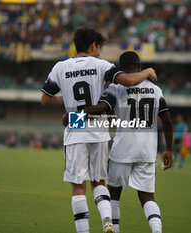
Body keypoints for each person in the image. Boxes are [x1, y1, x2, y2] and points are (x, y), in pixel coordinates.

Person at [41, 28, 158, 233]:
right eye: (99, 48)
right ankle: (107, 221)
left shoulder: (60, 67)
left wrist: (68, 100)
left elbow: (45, 99)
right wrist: (147, 71)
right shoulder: (102, 65)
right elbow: (129, 81)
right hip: (98, 128)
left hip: (76, 125)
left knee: (78, 186)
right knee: (98, 182)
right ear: (93, 45)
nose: (99, 52)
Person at [70, 51, 173, 233]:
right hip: (147, 152)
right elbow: (167, 120)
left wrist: (73, 118)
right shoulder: (156, 91)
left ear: (120, 69)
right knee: (147, 197)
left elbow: (101, 109)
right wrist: (169, 150)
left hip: (122, 150)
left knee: (114, 195)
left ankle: (114, 229)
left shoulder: (116, 89)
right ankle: (157, 230)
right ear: (139, 67)